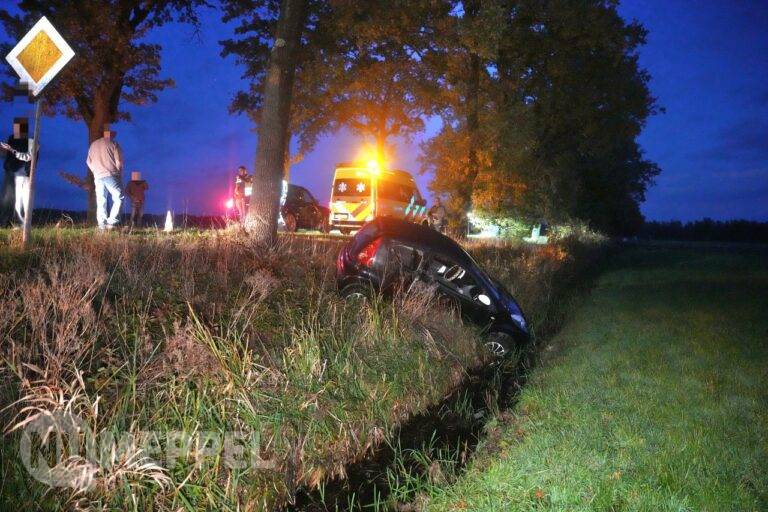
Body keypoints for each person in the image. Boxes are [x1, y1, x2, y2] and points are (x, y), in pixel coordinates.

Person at [87, 125, 125, 230]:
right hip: (111, 174)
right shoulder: (113, 143)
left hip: (98, 176)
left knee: (101, 200)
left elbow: (88, 162)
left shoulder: (93, 145)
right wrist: (119, 173)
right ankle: (112, 222)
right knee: (119, 198)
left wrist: (95, 171)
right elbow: (119, 162)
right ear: (110, 134)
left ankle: (101, 226)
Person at [0, 118, 34, 227]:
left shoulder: (29, 141)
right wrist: (5, 150)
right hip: (11, 171)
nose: (17, 130)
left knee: (18, 199)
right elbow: (7, 154)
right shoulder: (12, 139)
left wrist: (10, 150)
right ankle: (5, 223)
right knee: (7, 198)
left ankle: (18, 224)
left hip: (21, 173)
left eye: (20, 127)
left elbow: (27, 157)